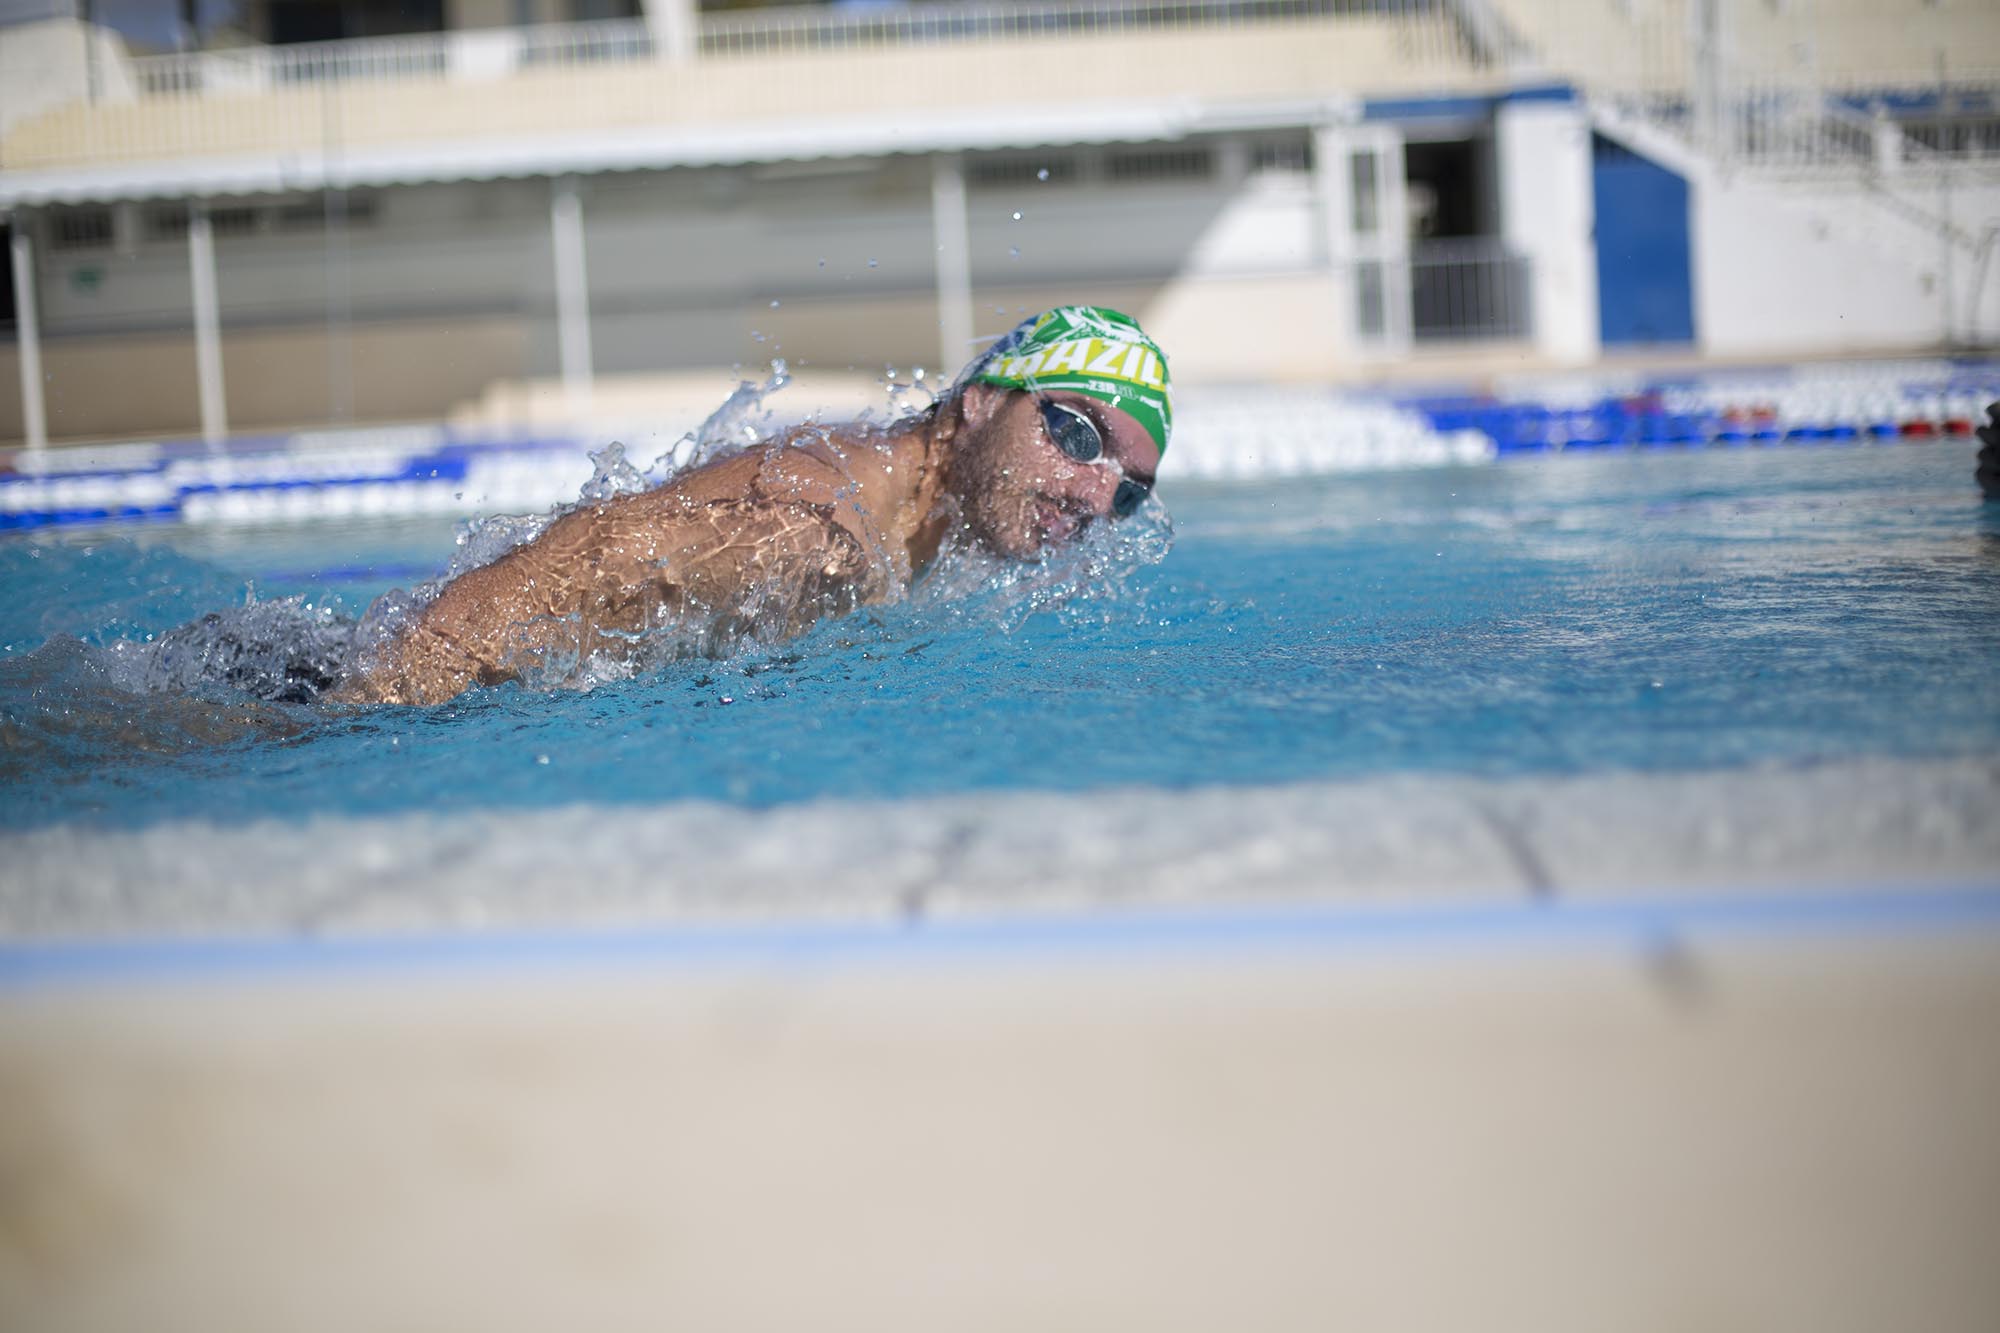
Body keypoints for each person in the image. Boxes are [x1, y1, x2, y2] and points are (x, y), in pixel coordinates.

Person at [339, 305, 1172, 705]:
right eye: (1079, 435)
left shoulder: (918, 525)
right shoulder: (819, 525)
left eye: (1130, 490)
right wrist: (357, 710)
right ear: (984, 401)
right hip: (350, 696)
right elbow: (568, 568)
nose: (1097, 494)